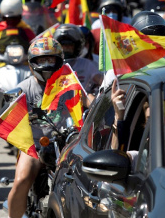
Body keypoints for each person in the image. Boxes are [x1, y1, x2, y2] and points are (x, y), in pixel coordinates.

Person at [8, 37, 66, 218]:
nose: (47, 64)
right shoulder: (23, 88)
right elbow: (9, 114)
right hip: (33, 145)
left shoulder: (69, 85)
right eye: (42, 60)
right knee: (22, 180)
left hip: (65, 144)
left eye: (51, 59)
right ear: (33, 63)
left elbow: (87, 103)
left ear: (59, 61)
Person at [53, 24, 101, 94]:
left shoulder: (87, 64)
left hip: (85, 102)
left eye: (70, 44)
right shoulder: (53, 66)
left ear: (77, 46)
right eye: (63, 45)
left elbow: (101, 81)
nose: (66, 48)